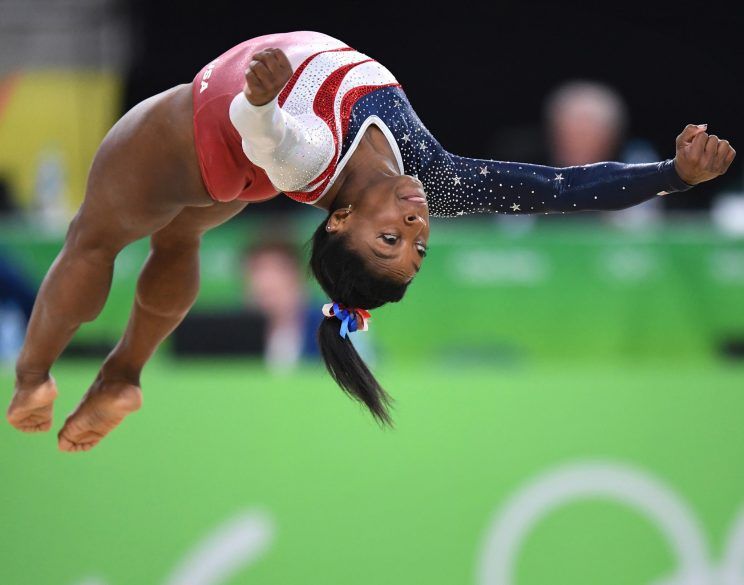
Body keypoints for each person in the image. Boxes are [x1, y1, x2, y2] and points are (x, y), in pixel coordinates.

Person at [5, 31, 735, 451]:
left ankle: (33, 375)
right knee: (177, 243)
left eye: (392, 235)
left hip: (195, 138)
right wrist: (671, 173)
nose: (418, 223)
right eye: (417, 243)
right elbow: (558, 190)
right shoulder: (437, 180)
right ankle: (123, 374)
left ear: (341, 221)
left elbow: (272, 136)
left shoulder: (313, 154)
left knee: (94, 237)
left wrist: (260, 101)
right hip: (237, 176)